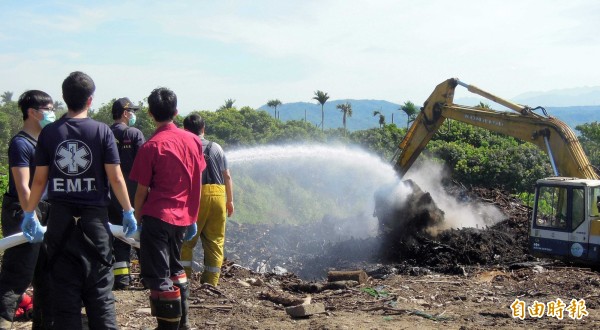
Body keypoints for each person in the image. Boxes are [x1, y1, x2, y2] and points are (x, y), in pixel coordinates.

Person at [21, 71, 137, 330]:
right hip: (95, 223)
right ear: (90, 100)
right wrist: (128, 210)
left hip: (60, 223)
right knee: (100, 294)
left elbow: (39, 181)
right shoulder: (102, 131)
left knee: (65, 297)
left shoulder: (49, 133)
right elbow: (116, 178)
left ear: (64, 99)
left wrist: (29, 213)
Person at [130, 87, 205, 330]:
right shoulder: (193, 140)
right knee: (176, 268)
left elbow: (141, 191)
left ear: (150, 114)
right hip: (182, 218)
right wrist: (192, 215)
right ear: (176, 111)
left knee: (159, 275)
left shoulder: (151, 146)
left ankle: (167, 326)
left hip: (157, 217)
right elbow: (197, 179)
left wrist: (136, 219)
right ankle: (183, 323)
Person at [0, 90, 55, 330]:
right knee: (18, 273)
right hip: (23, 211)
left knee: (47, 273)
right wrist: (30, 215)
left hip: (45, 210)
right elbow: (23, 187)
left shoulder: (44, 141)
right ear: (32, 112)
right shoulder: (21, 143)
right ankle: (3, 320)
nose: (52, 114)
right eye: (48, 109)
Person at [181, 113, 234, 286]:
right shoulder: (217, 147)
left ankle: (183, 280)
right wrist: (230, 201)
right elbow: (227, 176)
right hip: (219, 196)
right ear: (203, 129)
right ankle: (211, 283)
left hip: (195, 196)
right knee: (215, 242)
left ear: (185, 129)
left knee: (186, 242)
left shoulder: (185, 146)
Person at [108, 97, 145, 289]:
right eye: (132, 112)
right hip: (134, 194)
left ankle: (121, 280)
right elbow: (145, 164)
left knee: (118, 236)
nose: (133, 115)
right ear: (125, 113)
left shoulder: (104, 133)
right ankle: (148, 276)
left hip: (110, 195)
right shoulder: (134, 133)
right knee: (140, 234)